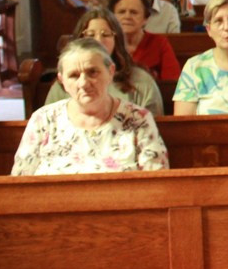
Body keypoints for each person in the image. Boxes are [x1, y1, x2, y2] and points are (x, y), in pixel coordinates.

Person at [12, 38, 168, 176]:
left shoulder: (138, 119)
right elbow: (20, 183)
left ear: (110, 72)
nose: (84, 83)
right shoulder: (43, 120)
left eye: (92, 72)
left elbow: (156, 182)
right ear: (62, 80)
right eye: (74, 75)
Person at [44, 7, 165, 116]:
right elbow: (49, 122)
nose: (98, 41)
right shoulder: (64, 82)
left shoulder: (141, 81)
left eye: (106, 35)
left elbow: (154, 125)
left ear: (117, 39)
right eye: (90, 35)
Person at [110, 0, 180, 83]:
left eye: (134, 12)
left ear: (145, 19)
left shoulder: (159, 43)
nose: (127, 16)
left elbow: (172, 81)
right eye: (121, 12)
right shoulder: (106, 42)